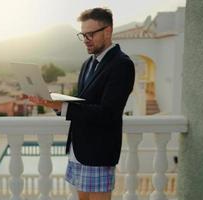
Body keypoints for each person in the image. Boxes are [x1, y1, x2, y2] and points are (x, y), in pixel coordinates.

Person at [28, 7, 135, 200]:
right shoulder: (87, 64)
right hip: (79, 149)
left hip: (99, 153)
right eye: (83, 35)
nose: (85, 39)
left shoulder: (122, 65)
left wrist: (63, 107)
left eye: (90, 34)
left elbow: (108, 114)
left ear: (108, 31)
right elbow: (83, 104)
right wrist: (54, 103)